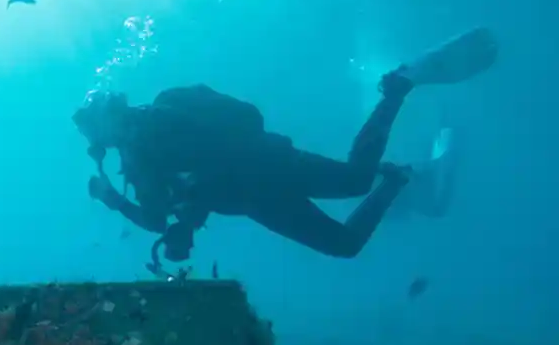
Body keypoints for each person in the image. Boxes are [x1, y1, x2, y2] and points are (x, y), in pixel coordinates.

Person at [76, 64, 465, 272]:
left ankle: (395, 180)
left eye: (93, 133)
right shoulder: (166, 107)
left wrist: (111, 198)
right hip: (270, 161)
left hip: (257, 193)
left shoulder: (138, 154)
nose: (98, 143)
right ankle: (395, 95)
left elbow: (155, 219)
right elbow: (221, 145)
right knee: (356, 180)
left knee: (345, 241)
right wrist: (191, 214)